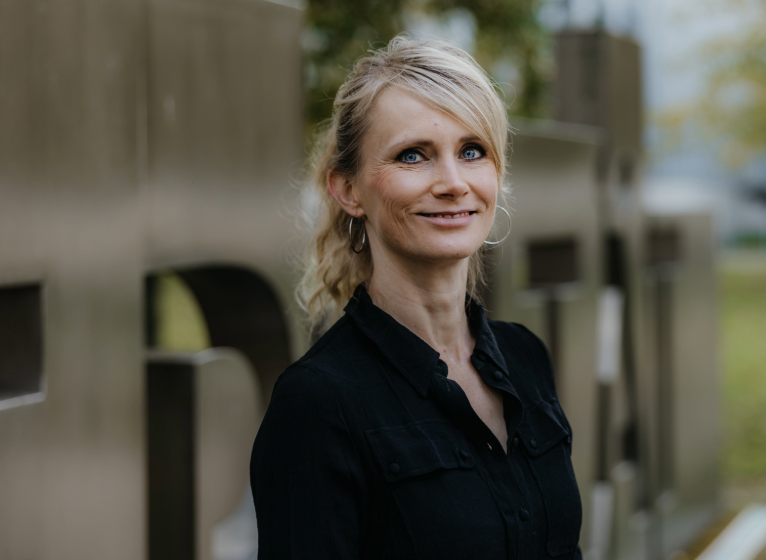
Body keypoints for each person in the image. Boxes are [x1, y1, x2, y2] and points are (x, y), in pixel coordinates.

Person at [250, 36, 583, 560]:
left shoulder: (526, 359)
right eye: (413, 156)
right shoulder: (318, 404)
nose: (454, 183)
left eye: (472, 151)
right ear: (348, 190)